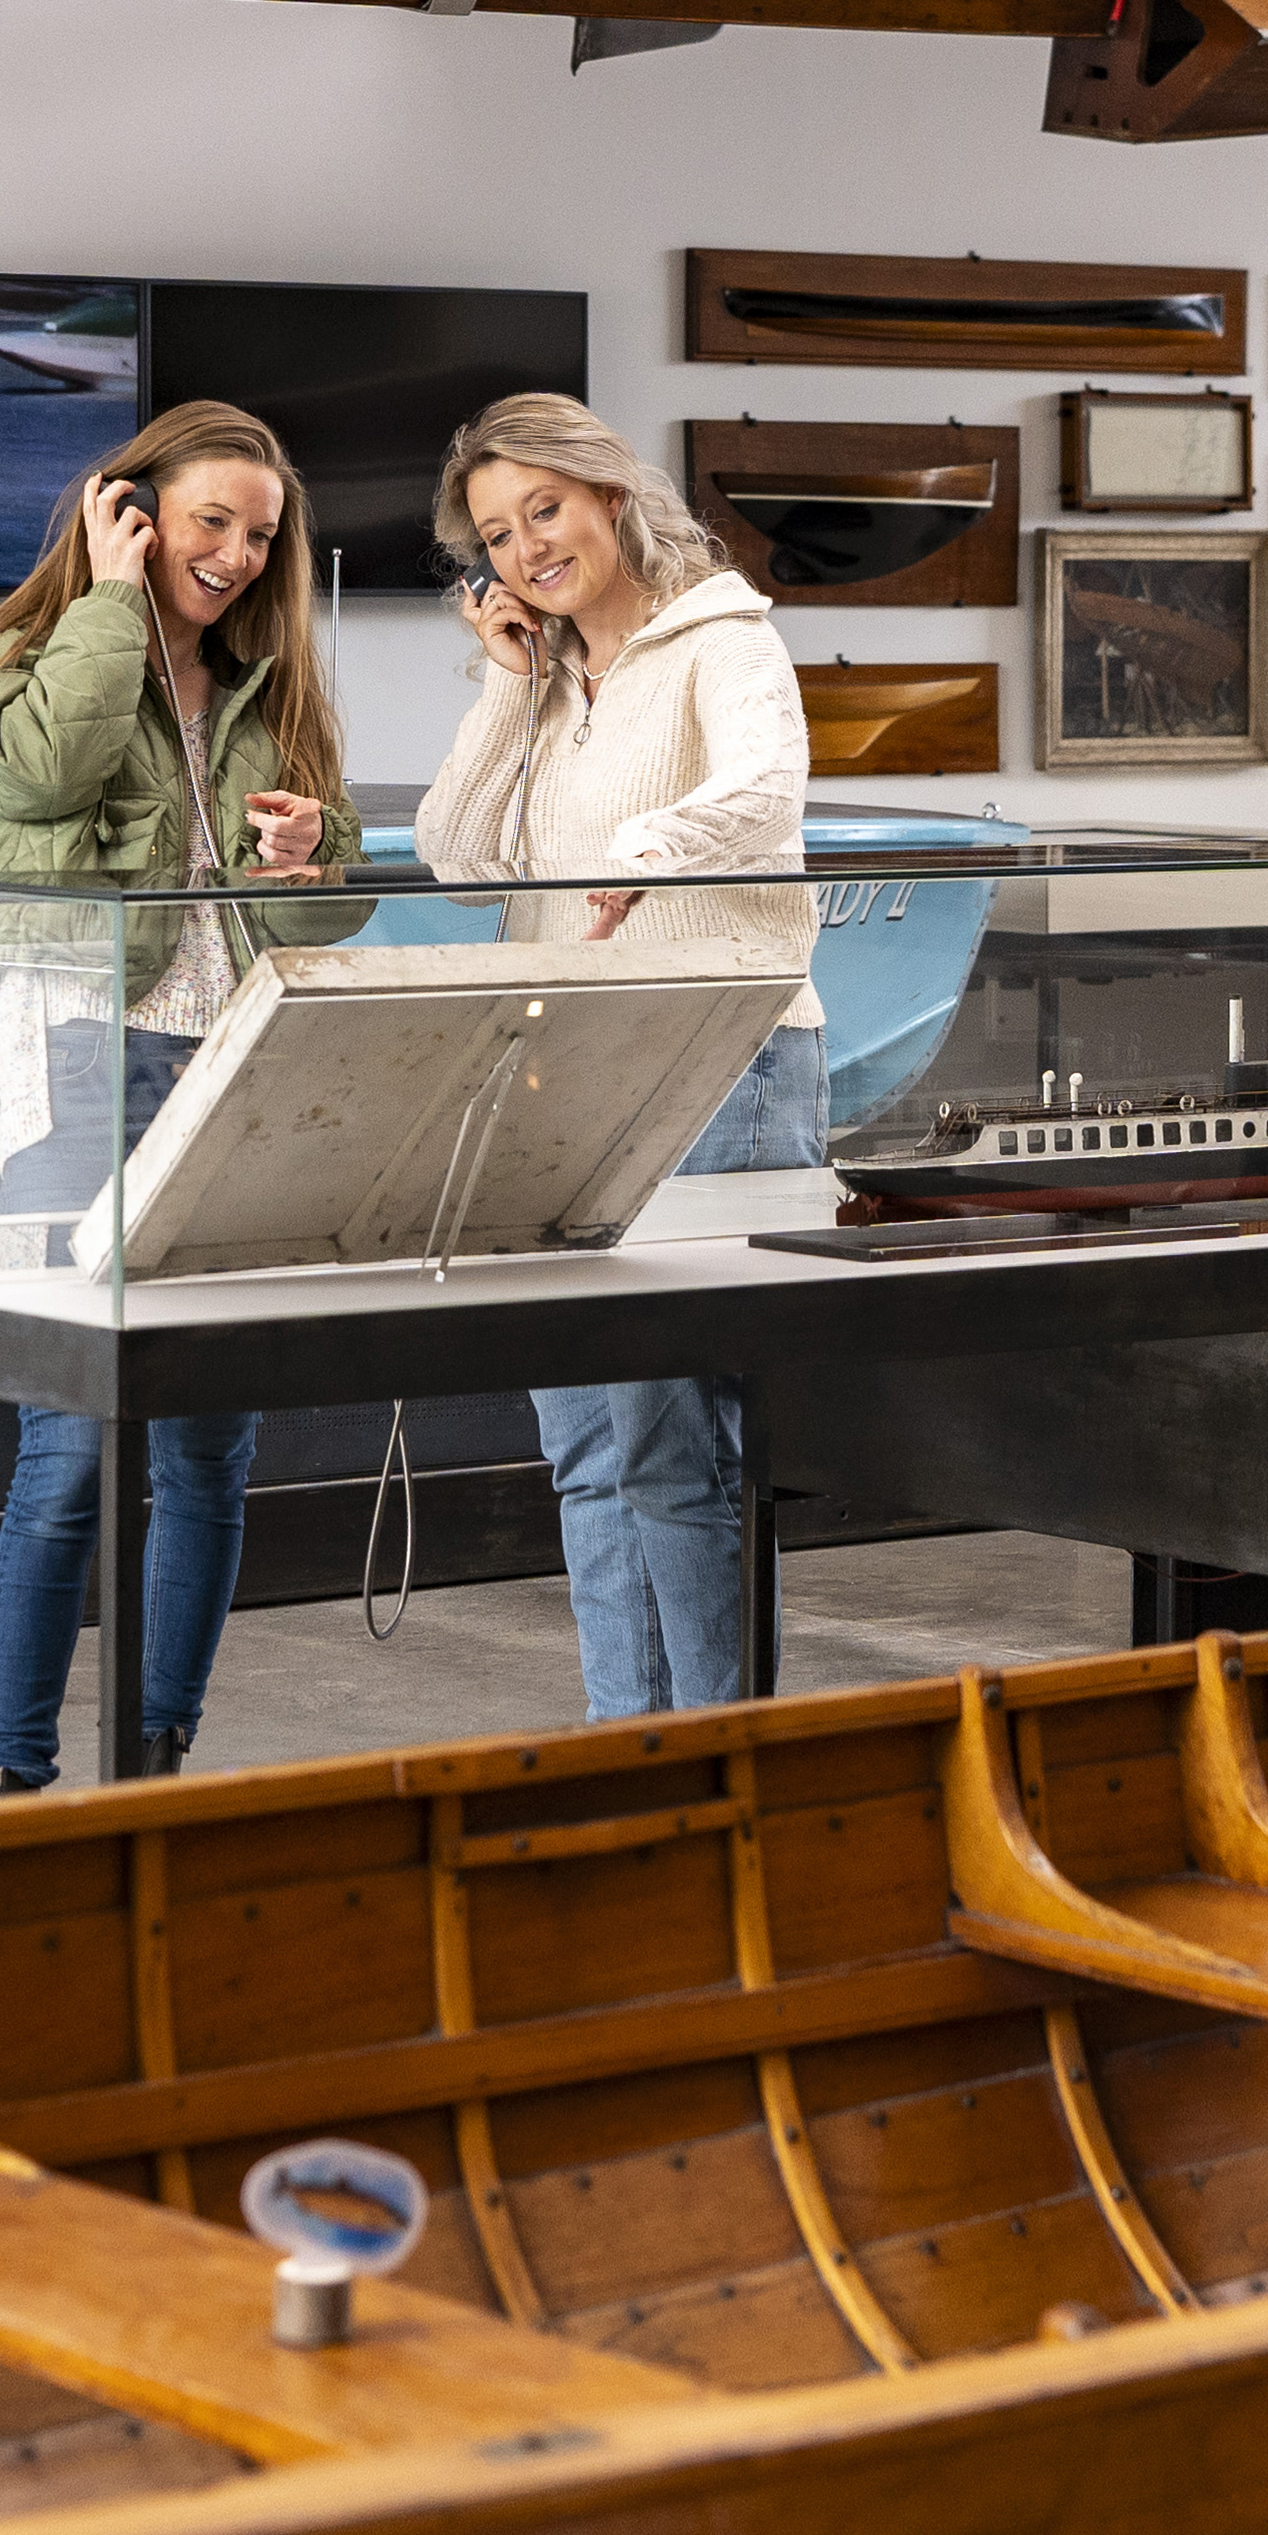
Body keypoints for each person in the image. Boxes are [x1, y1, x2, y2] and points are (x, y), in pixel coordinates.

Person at [0, 402, 363, 1788]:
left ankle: (157, 1755)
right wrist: (109, 600)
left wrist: (313, 860)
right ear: (124, 516)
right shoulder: (17, 659)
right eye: (211, 523)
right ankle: (16, 1777)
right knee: (66, 1447)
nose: (242, 555)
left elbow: (331, 912)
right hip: (81, 1061)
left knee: (205, 1455)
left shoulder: (272, 690)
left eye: (261, 533)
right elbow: (50, 770)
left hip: (234, 1065)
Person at [416, 391, 822, 1721]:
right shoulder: (549, 680)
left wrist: (632, 853)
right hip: (564, 1076)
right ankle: (619, 1735)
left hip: (715, 1062)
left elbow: (761, 795)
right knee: (586, 1443)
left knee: (671, 1442)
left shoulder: (724, 639)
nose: (529, 544)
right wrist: (506, 676)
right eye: (497, 531)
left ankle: (716, 1745)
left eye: (545, 508)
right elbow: (458, 856)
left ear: (606, 497)